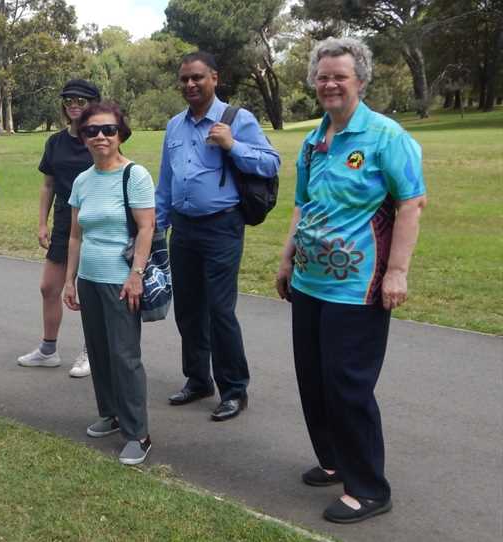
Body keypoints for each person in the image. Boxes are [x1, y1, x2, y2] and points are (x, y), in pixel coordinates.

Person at [275, 37, 427, 523]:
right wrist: (286, 259)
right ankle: (335, 459)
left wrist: (397, 272)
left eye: (339, 75)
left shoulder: (387, 137)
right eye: (322, 76)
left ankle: (368, 488)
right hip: (309, 281)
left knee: (347, 385)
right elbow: (304, 204)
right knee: (314, 381)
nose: (329, 83)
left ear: (360, 80)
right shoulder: (314, 140)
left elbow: (410, 205)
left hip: (358, 286)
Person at [156, 51, 280, 421]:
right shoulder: (174, 126)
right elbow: (167, 180)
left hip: (222, 226)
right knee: (189, 308)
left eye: (197, 77)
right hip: (183, 227)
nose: (190, 85)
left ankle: (234, 389)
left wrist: (232, 145)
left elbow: (271, 162)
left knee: (220, 310)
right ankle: (197, 380)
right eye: (184, 79)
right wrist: (158, 227)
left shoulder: (237, 120)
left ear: (214, 78)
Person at [62, 102, 156, 465]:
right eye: (91, 130)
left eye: (109, 130)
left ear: (121, 134)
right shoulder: (82, 180)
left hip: (120, 281)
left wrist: (136, 275)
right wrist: (69, 280)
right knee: (100, 353)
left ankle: (139, 433)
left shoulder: (135, 176)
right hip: (89, 278)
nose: (100, 136)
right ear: (82, 136)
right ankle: (113, 414)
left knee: (125, 356)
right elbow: (74, 235)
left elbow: (146, 228)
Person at [17, 79, 101, 378]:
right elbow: (48, 184)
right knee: (48, 287)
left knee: (91, 290)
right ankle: (48, 350)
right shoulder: (55, 142)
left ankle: (92, 351)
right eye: (69, 99)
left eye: (81, 99)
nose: (74, 104)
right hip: (65, 219)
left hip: (95, 219)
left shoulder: (99, 137)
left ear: (94, 103)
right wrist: (42, 222)